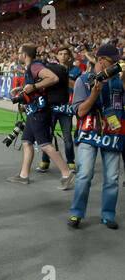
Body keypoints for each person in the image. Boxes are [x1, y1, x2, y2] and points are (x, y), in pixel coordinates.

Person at [68, 44, 125, 229]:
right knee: (84, 175)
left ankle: (108, 214)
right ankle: (77, 213)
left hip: (113, 134)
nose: (117, 65)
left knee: (112, 178)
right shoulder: (82, 80)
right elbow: (80, 112)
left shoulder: (119, 80)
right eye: (113, 61)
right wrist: (93, 95)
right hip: (89, 133)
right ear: (100, 60)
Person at [7, 43, 76, 190]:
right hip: (34, 111)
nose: (17, 55)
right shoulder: (32, 68)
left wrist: (34, 87)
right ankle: (23, 175)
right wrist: (22, 88)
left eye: (19, 52)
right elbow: (36, 85)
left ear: (24, 55)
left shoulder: (34, 66)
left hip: (40, 112)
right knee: (26, 141)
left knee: (44, 144)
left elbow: (53, 78)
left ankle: (66, 173)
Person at [36, 46, 81, 173]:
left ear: (69, 56)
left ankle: (71, 162)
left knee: (67, 137)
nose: (62, 56)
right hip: (51, 107)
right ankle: (45, 161)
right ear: (57, 56)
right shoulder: (50, 69)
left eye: (65, 54)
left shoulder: (76, 70)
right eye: (60, 53)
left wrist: (64, 76)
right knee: (47, 136)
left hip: (66, 108)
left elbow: (78, 85)